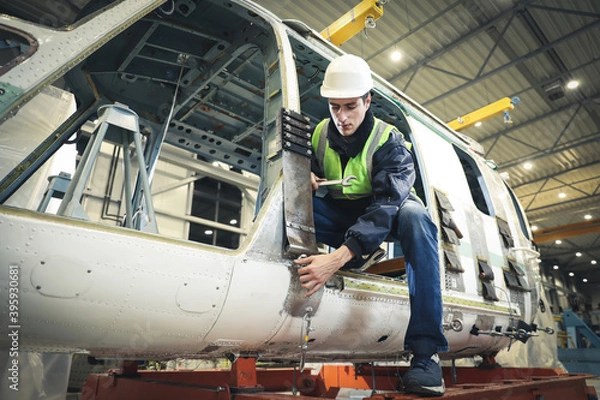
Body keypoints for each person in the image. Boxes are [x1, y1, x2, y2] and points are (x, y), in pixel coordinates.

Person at [294, 54, 449, 397]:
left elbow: (384, 208)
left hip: (388, 212)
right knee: (292, 205)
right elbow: (305, 176)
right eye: (335, 107)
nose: (342, 117)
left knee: (416, 219)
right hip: (343, 214)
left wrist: (336, 259)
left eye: (350, 106)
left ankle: (426, 354)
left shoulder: (390, 142)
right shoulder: (320, 133)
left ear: (367, 100)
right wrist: (305, 178)